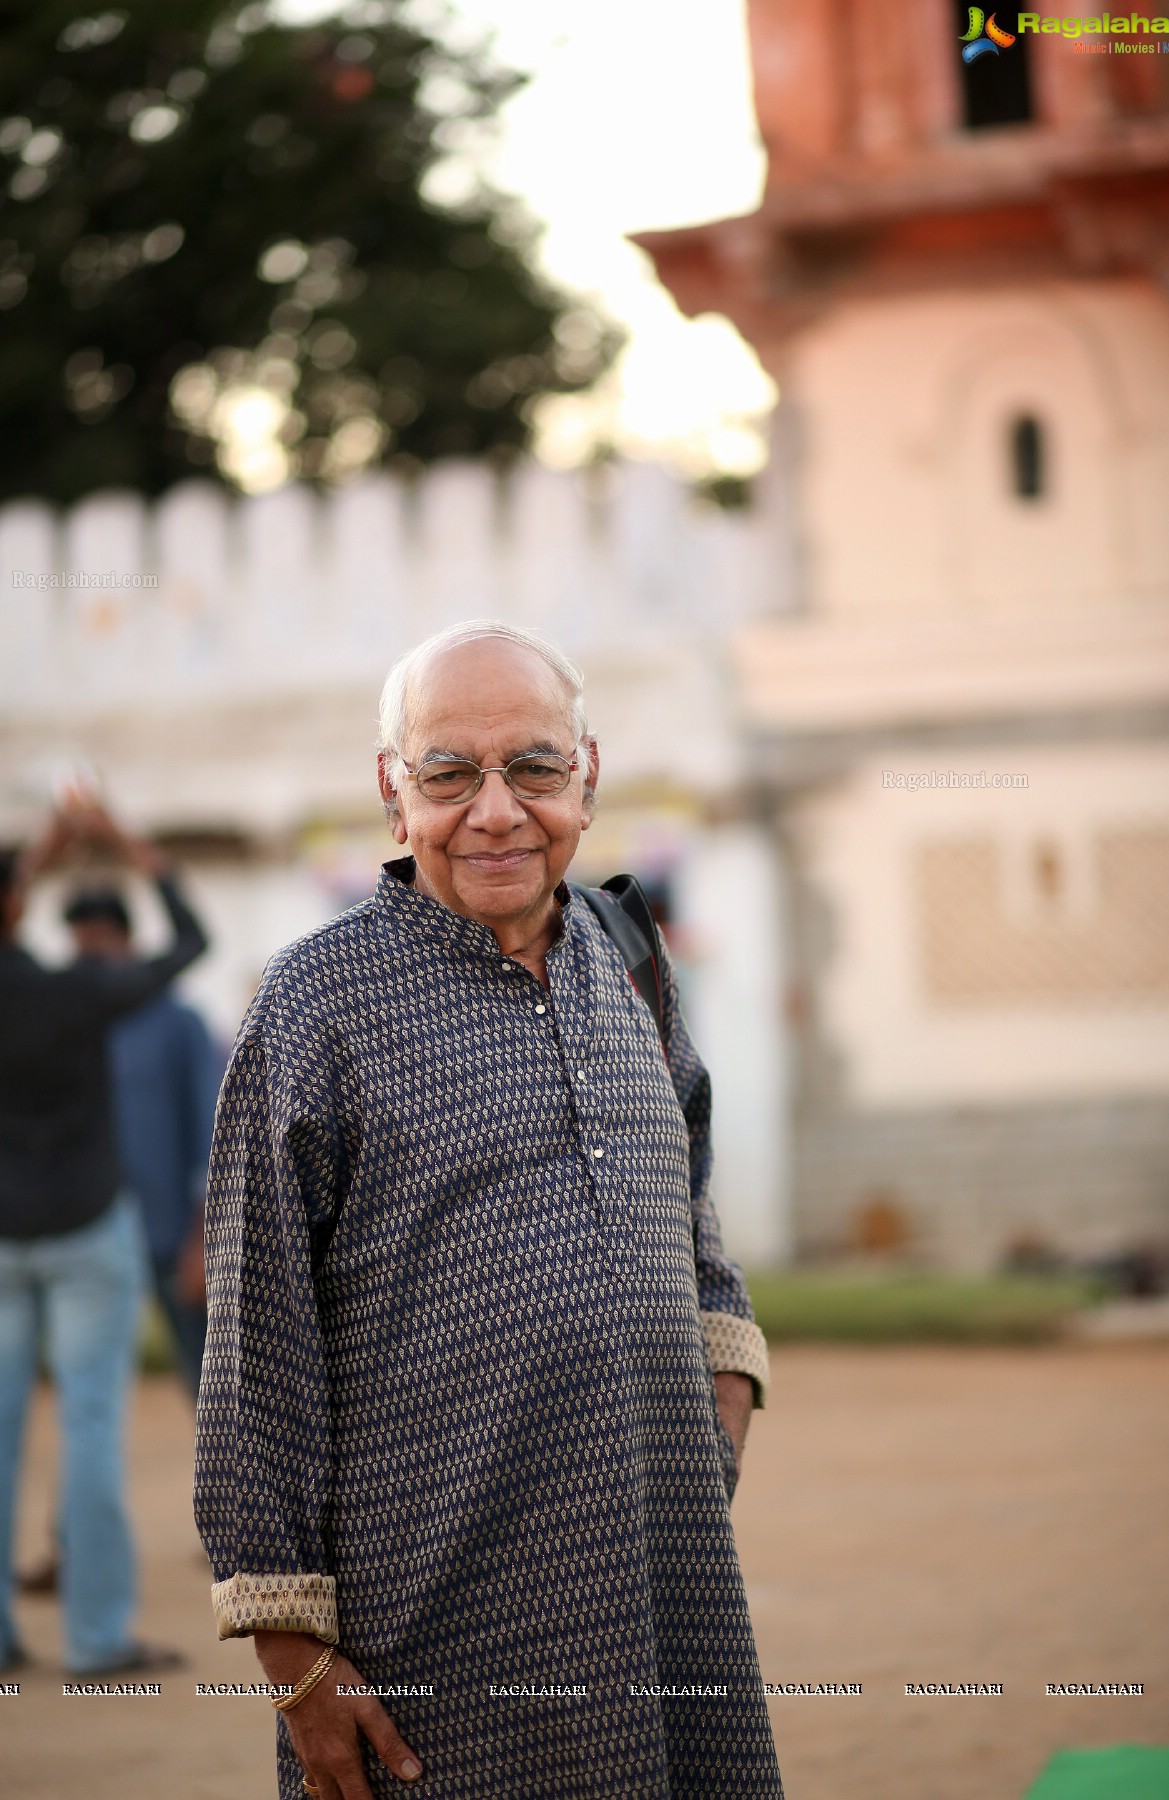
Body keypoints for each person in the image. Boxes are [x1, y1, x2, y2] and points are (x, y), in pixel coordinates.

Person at [194, 621, 784, 1800]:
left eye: (535, 767)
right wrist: (293, 1652)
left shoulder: (629, 961)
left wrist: (715, 1403)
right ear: (391, 791)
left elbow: (692, 1206)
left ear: (589, 776)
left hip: (668, 1597)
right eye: (450, 774)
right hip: (433, 1633)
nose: (498, 811)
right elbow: (258, 1340)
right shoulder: (317, 1006)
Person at [0, 797, 207, 1676]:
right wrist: (125, 847)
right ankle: (95, 1637)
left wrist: (30, 864)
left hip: (3, 1234)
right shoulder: (78, 993)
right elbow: (190, 940)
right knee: (88, 1426)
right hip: (87, 1224)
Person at [62, 887, 219, 1398]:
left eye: (97, 946)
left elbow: (213, 1136)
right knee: (91, 1386)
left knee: (209, 1380)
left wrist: (202, 1242)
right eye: (78, 949)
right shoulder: (76, 1025)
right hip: (94, 1233)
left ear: (125, 941)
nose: (87, 962)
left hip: (173, 1234)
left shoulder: (178, 1023)